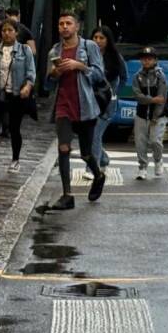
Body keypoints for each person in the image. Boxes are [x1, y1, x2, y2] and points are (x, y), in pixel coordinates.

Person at [45, 12, 107, 210]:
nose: (64, 27)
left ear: (77, 26)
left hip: (85, 106)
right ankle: (67, 195)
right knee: (63, 148)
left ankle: (98, 175)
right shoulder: (55, 51)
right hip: (63, 105)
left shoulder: (89, 47)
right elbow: (48, 83)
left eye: (68, 23)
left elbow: (99, 74)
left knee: (86, 154)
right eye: (61, 23)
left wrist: (79, 66)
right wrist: (55, 72)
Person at [0, 20, 36, 174]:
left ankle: (15, 160)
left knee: (14, 128)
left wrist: (28, 86)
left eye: (10, 30)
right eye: (4, 30)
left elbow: (31, 72)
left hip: (16, 95)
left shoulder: (25, 51)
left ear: (16, 32)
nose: (7, 33)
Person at [89, 25, 127, 176]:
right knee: (90, 134)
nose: (98, 41)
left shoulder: (116, 57)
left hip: (108, 103)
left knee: (96, 133)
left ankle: (93, 168)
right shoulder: (87, 55)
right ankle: (103, 158)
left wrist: (114, 93)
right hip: (91, 100)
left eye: (101, 38)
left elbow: (124, 77)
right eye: (95, 38)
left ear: (108, 40)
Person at [132, 46, 168, 180]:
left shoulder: (160, 76)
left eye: (149, 58)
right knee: (140, 142)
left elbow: (162, 99)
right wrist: (152, 99)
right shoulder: (137, 76)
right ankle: (142, 167)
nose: (146, 61)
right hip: (141, 115)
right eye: (144, 58)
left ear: (155, 60)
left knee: (155, 141)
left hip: (157, 116)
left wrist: (155, 117)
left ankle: (158, 160)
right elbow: (137, 96)